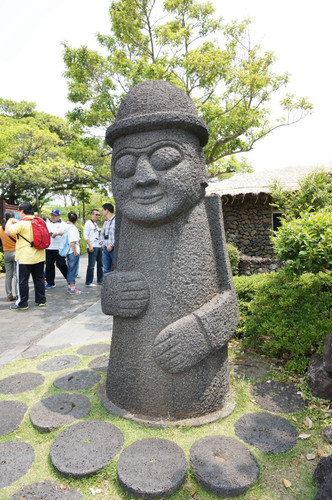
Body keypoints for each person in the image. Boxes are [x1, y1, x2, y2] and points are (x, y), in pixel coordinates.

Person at [5, 202, 46, 310]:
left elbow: (7, 231)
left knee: (22, 281)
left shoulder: (22, 223)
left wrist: (10, 220)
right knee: (39, 279)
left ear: (22, 211)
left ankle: (22, 303)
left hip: (24, 257)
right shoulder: (40, 221)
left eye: (19, 211)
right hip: (40, 255)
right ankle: (41, 300)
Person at [45, 209, 68, 289]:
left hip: (59, 247)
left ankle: (69, 279)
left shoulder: (64, 224)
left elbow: (66, 232)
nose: (53, 217)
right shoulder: (48, 224)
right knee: (49, 266)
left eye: (54, 215)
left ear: (59, 216)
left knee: (61, 264)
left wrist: (57, 233)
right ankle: (50, 282)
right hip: (49, 247)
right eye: (52, 215)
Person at [83, 209, 103, 286]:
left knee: (100, 265)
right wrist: (90, 246)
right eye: (96, 214)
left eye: (99, 215)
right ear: (92, 215)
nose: (98, 216)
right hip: (92, 246)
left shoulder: (95, 224)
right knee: (91, 265)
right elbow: (85, 236)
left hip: (98, 246)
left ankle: (100, 280)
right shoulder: (88, 223)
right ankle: (89, 282)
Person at [0, 212, 17, 301]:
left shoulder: (0, 229)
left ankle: (9, 296)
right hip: (16, 253)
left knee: (8, 275)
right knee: (17, 275)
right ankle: (18, 294)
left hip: (6, 254)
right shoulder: (15, 228)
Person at [66, 211, 82, 295]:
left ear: (69, 218)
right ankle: (72, 287)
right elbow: (73, 241)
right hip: (73, 252)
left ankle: (70, 286)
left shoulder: (66, 227)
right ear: (76, 219)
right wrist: (75, 251)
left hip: (69, 251)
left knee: (70, 269)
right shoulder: (74, 228)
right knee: (73, 270)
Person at [100, 203, 115, 274]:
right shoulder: (106, 222)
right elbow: (102, 234)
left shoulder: (116, 221)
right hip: (105, 249)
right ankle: (106, 285)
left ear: (107, 210)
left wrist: (112, 245)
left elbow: (118, 235)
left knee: (116, 269)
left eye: (103, 210)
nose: (102, 212)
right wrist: (102, 243)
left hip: (114, 249)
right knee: (106, 269)